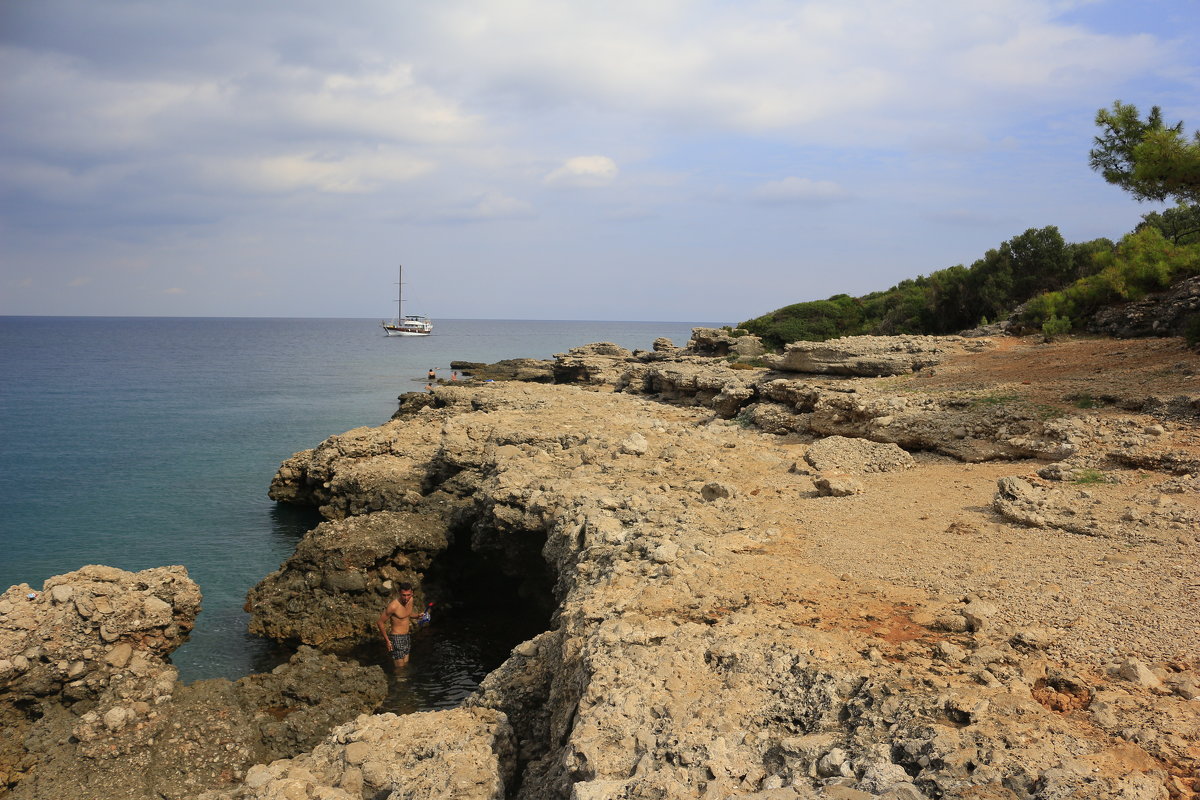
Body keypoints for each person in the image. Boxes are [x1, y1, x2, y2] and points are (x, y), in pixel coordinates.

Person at [377, 582, 426, 668]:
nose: (406, 598)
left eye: (408, 595)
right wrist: (387, 641)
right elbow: (380, 622)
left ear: (412, 593)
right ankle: (398, 681)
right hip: (396, 638)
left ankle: (405, 681)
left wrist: (418, 616)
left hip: (407, 636)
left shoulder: (410, 600)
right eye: (404, 595)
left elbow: (408, 614)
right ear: (399, 593)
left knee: (406, 664)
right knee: (400, 668)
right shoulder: (393, 606)